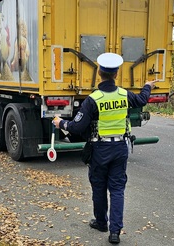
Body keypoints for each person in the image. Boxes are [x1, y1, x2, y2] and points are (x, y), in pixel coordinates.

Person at [53, 52, 157, 244]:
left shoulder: (93, 99)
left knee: (99, 187)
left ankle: (101, 222)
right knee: (117, 189)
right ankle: (115, 232)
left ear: (99, 73)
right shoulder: (124, 95)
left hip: (99, 149)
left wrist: (61, 123)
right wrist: (147, 87)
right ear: (116, 74)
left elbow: (76, 127)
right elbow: (142, 100)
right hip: (120, 148)